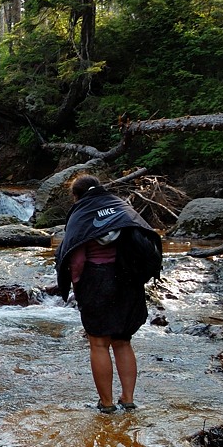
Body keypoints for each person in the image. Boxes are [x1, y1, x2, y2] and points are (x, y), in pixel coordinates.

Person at [55, 174, 159, 413]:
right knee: (123, 342)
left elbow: (77, 258)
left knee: (99, 344)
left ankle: (107, 402)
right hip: (129, 280)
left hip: (97, 280)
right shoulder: (121, 208)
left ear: (76, 196)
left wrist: (77, 285)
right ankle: (128, 398)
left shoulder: (82, 213)